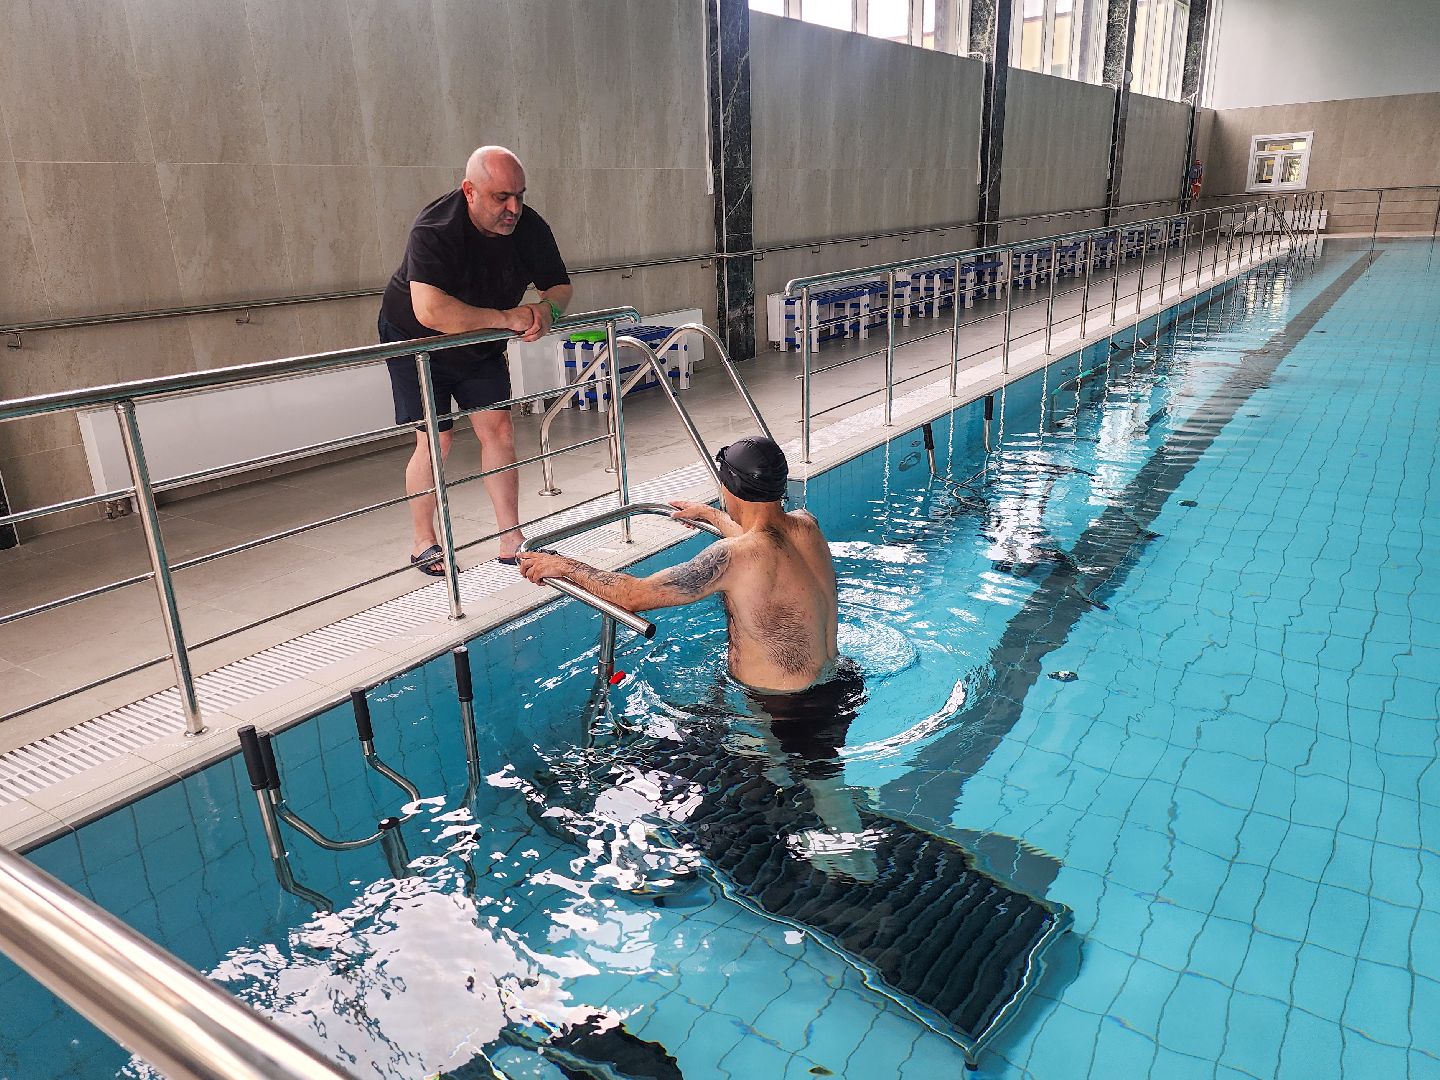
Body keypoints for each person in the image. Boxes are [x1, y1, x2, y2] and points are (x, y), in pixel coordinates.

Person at [517, 435, 874, 878]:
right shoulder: (805, 524)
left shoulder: (733, 556)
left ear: (729, 486)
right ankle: (831, 840)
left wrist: (566, 566)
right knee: (814, 779)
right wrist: (712, 516)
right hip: (838, 681)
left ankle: (857, 873)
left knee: (808, 786)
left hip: (782, 704)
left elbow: (634, 594)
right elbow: (763, 539)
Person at [379, 146, 573, 572]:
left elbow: (559, 287)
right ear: (469, 191)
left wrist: (547, 311)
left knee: (499, 429)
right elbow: (431, 311)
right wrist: (505, 318)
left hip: (480, 339)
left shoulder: (529, 226)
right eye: (501, 197)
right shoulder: (435, 229)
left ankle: (511, 539)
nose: (513, 208)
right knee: (436, 439)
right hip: (417, 340)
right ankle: (423, 541)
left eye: (519, 195)